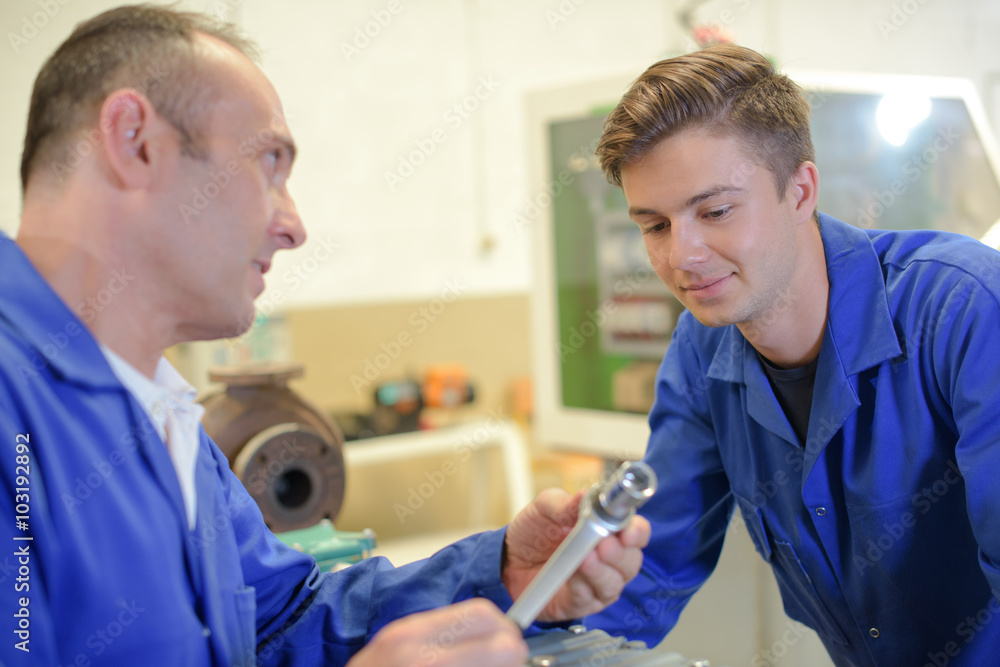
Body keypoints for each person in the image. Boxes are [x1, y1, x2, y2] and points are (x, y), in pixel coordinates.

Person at [0, 5, 650, 666]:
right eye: (269, 164)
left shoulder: (163, 410)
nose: (294, 225)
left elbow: (283, 619)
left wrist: (505, 569)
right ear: (135, 139)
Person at [584, 44, 1000, 666]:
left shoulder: (964, 310)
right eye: (655, 225)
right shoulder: (701, 354)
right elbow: (650, 567)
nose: (681, 257)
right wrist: (526, 639)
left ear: (801, 190)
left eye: (716, 211)